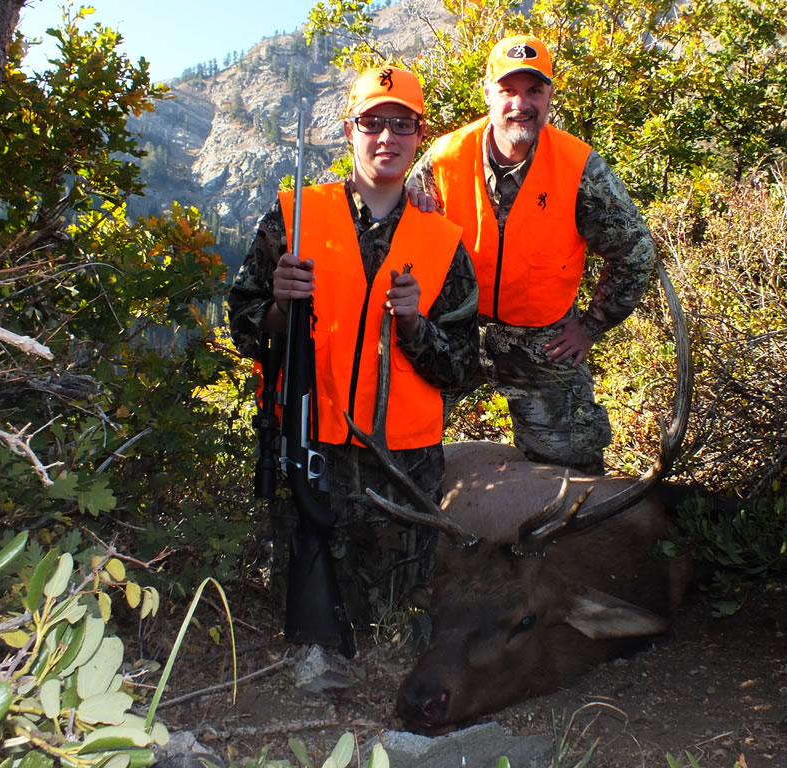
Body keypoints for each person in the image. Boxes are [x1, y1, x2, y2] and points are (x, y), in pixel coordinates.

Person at [227, 66, 480, 645]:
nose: (386, 137)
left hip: (403, 469)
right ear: (349, 130)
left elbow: (463, 368)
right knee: (306, 624)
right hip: (309, 447)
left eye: (402, 124)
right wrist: (278, 307)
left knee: (397, 626)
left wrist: (415, 326)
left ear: (419, 135)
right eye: (372, 122)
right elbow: (242, 326)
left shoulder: (443, 240)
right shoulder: (292, 217)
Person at [409, 34, 657, 476]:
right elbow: (399, 239)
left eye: (534, 91)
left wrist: (590, 326)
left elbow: (636, 252)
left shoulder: (579, 167)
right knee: (399, 435)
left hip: (542, 337)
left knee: (574, 465)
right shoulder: (444, 159)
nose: (520, 104)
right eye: (508, 90)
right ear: (488, 92)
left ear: (549, 96)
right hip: (455, 328)